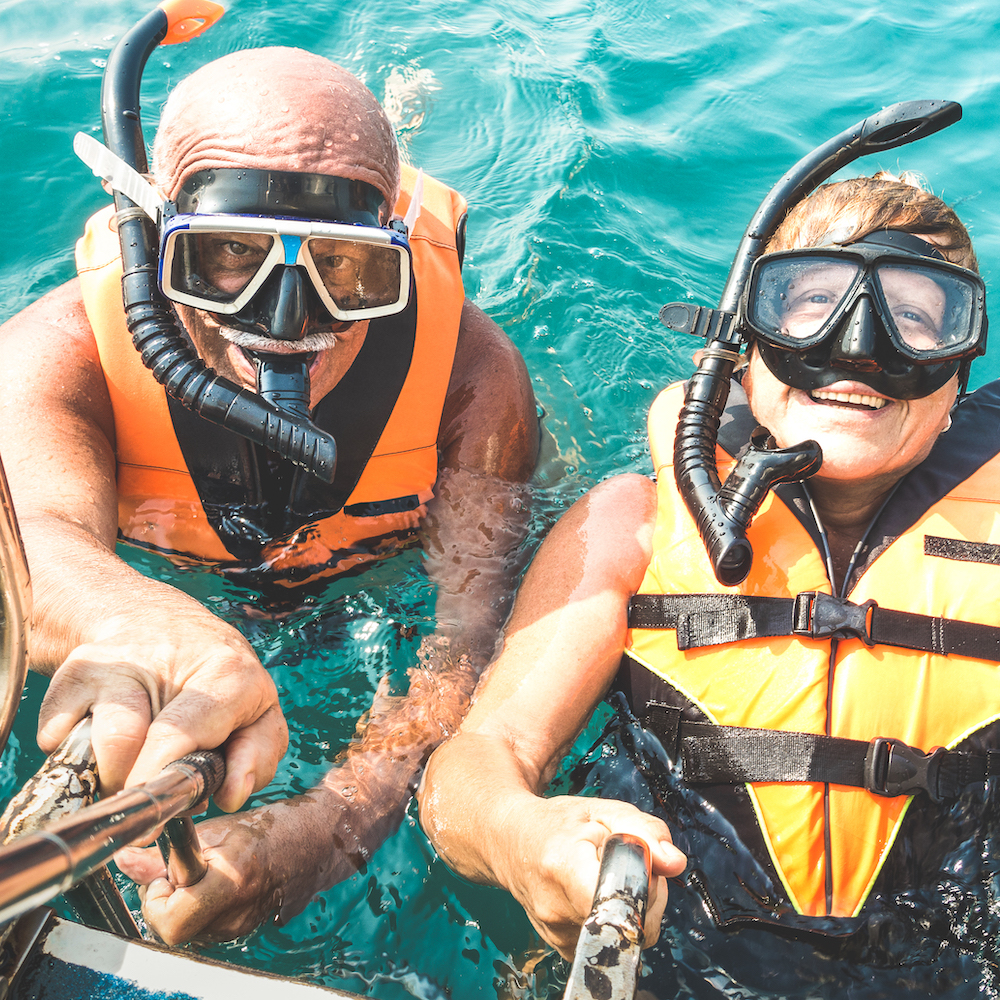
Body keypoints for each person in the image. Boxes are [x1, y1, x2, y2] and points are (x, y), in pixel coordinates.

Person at [0, 37, 537, 944]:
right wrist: (130, 620)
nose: (286, 319)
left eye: (345, 269)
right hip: (180, 593)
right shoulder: (60, 357)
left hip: (367, 586)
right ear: (150, 238)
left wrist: (339, 825)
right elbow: (30, 534)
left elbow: (466, 638)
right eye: (226, 258)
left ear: (396, 254)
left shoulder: (474, 381)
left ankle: (401, 107)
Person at [419, 163, 1000, 995]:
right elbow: (475, 764)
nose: (859, 348)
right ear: (743, 349)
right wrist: (525, 837)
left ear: (957, 378)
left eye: (912, 319)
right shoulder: (633, 526)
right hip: (671, 957)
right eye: (811, 305)